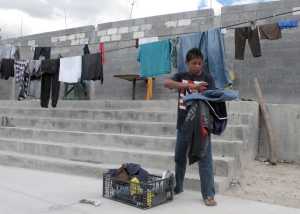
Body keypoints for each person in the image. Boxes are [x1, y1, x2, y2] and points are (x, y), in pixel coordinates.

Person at [164, 48, 217, 206]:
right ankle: (178, 187)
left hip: (202, 126)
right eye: (194, 63)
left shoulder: (207, 78)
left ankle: (208, 194)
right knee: (180, 158)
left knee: (205, 160)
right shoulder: (182, 77)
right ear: (187, 63)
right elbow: (167, 83)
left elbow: (214, 97)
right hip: (183, 125)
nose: (197, 66)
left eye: (200, 63)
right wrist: (191, 87)